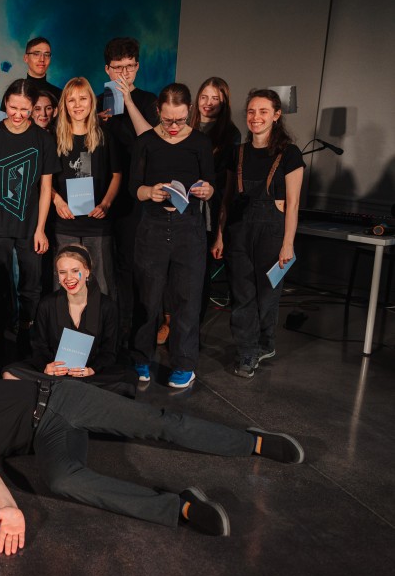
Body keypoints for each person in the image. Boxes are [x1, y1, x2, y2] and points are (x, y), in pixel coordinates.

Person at [0, 353, 306, 553]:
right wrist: (9, 509)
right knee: (61, 479)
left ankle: (252, 441)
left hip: (61, 397)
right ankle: (178, 506)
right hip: (51, 437)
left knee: (158, 424)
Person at [212, 89, 304, 378]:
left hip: (272, 232)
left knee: (267, 295)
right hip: (238, 230)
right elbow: (227, 199)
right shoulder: (236, 152)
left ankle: (266, 342)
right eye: (251, 111)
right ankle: (247, 351)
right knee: (242, 295)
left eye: (263, 111)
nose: (256, 117)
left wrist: (288, 244)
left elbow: (293, 204)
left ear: (276, 115)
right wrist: (220, 235)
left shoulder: (289, 153)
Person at [129, 83, 215, 389]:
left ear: (189, 110)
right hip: (152, 225)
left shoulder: (201, 143)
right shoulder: (146, 142)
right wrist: (149, 191)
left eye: (180, 119)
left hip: (189, 227)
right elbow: (133, 187)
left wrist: (206, 190)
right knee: (147, 298)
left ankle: (184, 364)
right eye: (167, 120)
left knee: (186, 299)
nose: (174, 126)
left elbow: (211, 185)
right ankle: (141, 358)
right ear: (158, 112)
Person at [0, 79, 59, 336]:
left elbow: (46, 188)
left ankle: (27, 328)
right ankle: (3, 333)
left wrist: (41, 229)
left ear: (32, 107)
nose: (18, 115)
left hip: (30, 224)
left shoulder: (43, 139)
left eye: (24, 109)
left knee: (31, 282)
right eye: (13, 108)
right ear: (5, 104)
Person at [96, 37, 159, 347]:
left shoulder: (148, 101)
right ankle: (109, 333)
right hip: (100, 196)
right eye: (118, 68)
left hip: (136, 199)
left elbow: (150, 142)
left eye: (130, 67)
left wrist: (128, 101)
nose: (124, 73)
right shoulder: (97, 102)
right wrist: (95, 123)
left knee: (134, 269)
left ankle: (135, 336)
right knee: (105, 269)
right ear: (107, 69)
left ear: (138, 67)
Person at [5, 244, 134, 394]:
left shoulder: (107, 306)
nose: (68, 278)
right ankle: (72, 391)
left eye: (75, 271)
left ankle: (61, 391)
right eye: (62, 272)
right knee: (10, 373)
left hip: (90, 374)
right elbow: (39, 346)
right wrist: (47, 367)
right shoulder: (47, 304)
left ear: (87, 271)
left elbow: (109, 351)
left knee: (128, 381)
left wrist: (92, 369)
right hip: (56, 373)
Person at [51, 77, 121, 298]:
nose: (77, 105)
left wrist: (106, 204)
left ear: (92, 102)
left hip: (97, 223)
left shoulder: (104, 136)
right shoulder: (54, 138)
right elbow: (44, 180)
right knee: (64, 284)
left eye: (82, 98)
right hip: (66, 223)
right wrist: (57, 201)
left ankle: (102, 321)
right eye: (71, 100)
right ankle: (64, 322)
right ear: (64, 104)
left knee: (102, 283)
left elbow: (117, 175)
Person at [191, 77, 241, 323]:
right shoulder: (184, 124)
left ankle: (194, 327)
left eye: (215, 99)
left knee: (199, 276)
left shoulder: (230, 134)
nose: (208, 103)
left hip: (208, 212)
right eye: (204, 97)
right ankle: (168, 322)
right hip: (179, 208)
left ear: (224, 103)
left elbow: (226, 185)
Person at [1, 37, 62, 109]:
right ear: (26, 58)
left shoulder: (59, 94)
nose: (42, 59)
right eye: (36, 54)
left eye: (46, 55)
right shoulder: (13, 92)